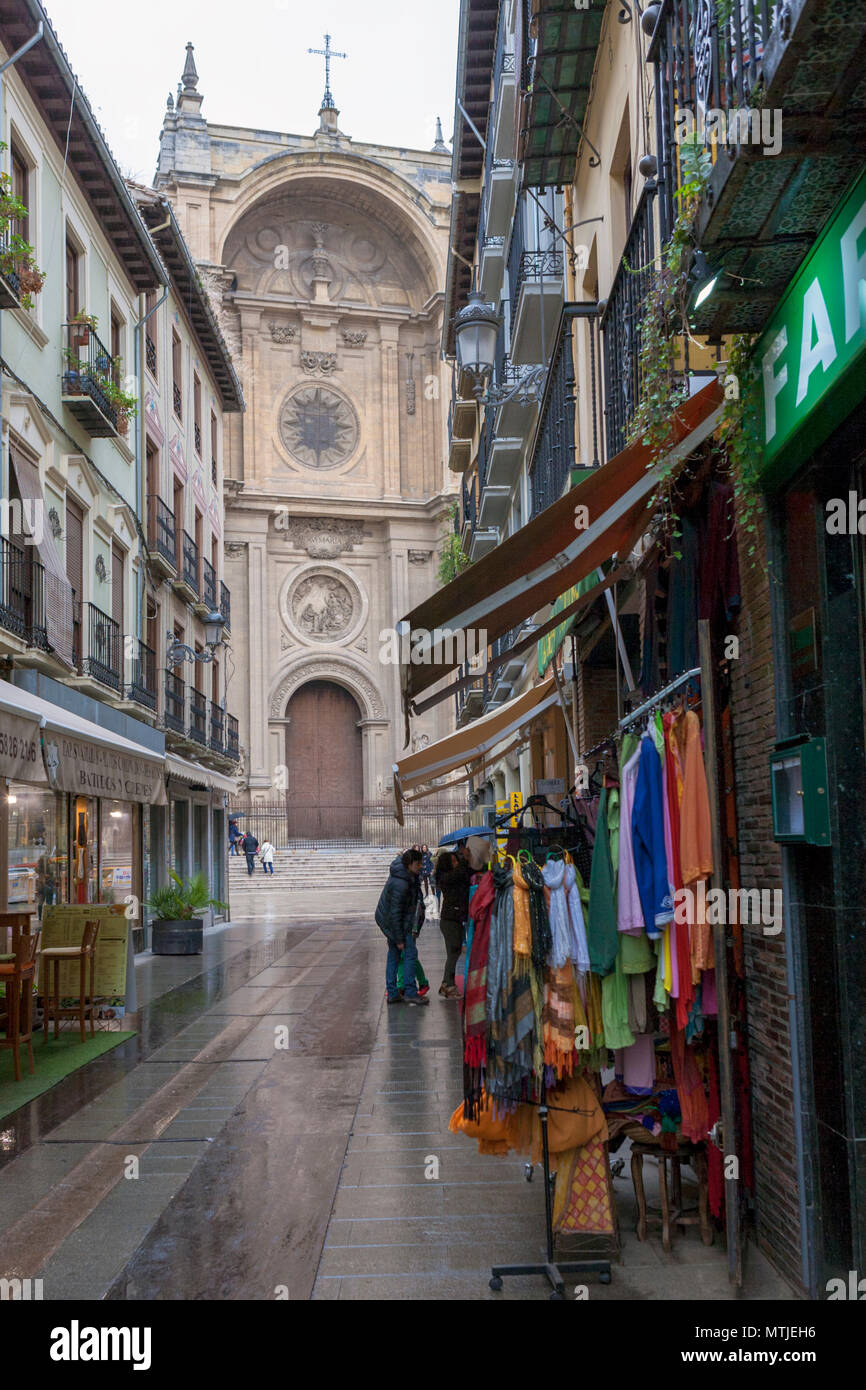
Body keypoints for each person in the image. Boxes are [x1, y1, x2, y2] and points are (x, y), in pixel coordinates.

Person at [375, 848, 429, 1006]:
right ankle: (410, 992)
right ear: (409, 864)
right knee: (410, 954)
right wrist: (399, 938)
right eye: (418, 864)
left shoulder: (408, 876)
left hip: (396, 922)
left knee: (394, 956)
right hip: (395, 923)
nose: (420, 867)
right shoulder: (401, 883)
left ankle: (393, 993)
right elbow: (395, 912)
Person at [435, 844, 472, 999]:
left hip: (456, 918)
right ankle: (449, 985)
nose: (456, 863)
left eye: (456, 860)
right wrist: (464, 859)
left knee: (454, 952)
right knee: (454, 951)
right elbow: (458, 873)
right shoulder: (445, 878)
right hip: (450, 920)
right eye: (453, 861)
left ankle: (446, 983)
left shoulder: (456, 875)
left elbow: (464, 873)